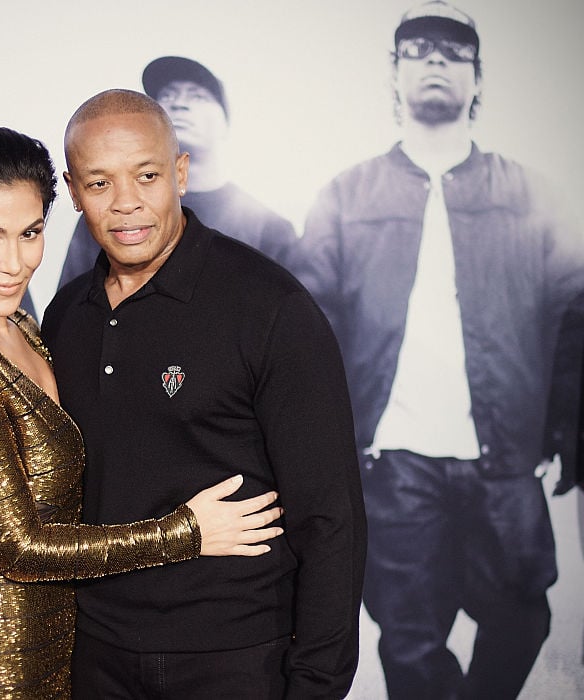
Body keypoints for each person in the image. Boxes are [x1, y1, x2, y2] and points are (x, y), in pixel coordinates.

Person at [0, 91, 367, 698]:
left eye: (146, 176)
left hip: (236, 658)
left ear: (179, 173)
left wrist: (317, 685)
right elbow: (22, 487)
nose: (126, 203)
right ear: (71, 192)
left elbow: (332, 520)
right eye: (99, 183)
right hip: (91, 655)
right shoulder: (65, 316)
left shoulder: (270, 308)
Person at [290, 2, 584, 698]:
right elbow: (306, 329)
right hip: (393, 464)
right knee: (409, 634)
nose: (434, 61)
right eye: (416, 49)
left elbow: (575, 320)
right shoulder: (345, 195)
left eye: (453, 53)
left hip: (506, 462)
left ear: (477, 80)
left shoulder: (533, 194)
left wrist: (567, 432)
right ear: (393, 76)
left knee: (522, 613)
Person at [57, 56, 295, 288]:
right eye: (168, 96)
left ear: (224, 121)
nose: (179, 104)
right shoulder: (105, 220)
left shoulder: (270, 228)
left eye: (198, 96)